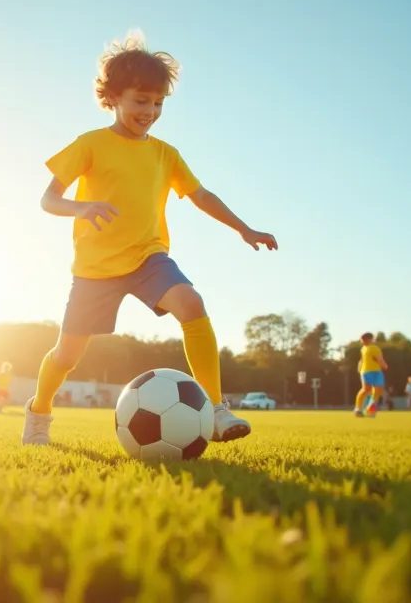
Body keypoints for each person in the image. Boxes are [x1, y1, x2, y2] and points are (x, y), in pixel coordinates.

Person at [22, 32, 277, 446]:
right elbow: (48, 199)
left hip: (148, 258)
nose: (151, 111)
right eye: (141, 101)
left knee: (191, 304)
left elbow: (201, 195)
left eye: (158, 103)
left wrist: (243, 228)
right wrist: (81, 208)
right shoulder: (90, 144)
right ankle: (38, 413)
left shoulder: (165, 154)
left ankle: (215, 409)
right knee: (67, 356)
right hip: (94, 269)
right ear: (113, 97)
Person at [354, 333, 388, 418]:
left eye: (364, 340)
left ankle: (371, 409)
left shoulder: (375, 348)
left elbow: (380, 359)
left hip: (377, 372)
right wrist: (359, 368)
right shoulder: (363, 349)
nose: (362, 341)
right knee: (366, 389)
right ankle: (357, 408)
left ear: (370, 339)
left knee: (378, 390)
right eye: (362, 340)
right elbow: (362, 359)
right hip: (366, 371)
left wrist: (384, 365)